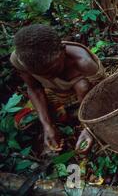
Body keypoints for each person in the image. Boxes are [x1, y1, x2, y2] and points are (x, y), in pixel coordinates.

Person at [10, 24, 106, 153]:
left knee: (82, 86)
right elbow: (35, 88)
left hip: (85, 97)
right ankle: (63, 119)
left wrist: (88, 128)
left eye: (52, 70)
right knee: (22, 121)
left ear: (63, 50)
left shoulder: (84, 63)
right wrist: (47, 126)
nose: (48, 77)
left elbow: (102, 98)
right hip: (55, 94)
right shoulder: (20, 60)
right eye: (40, 74)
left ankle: (73, 118)